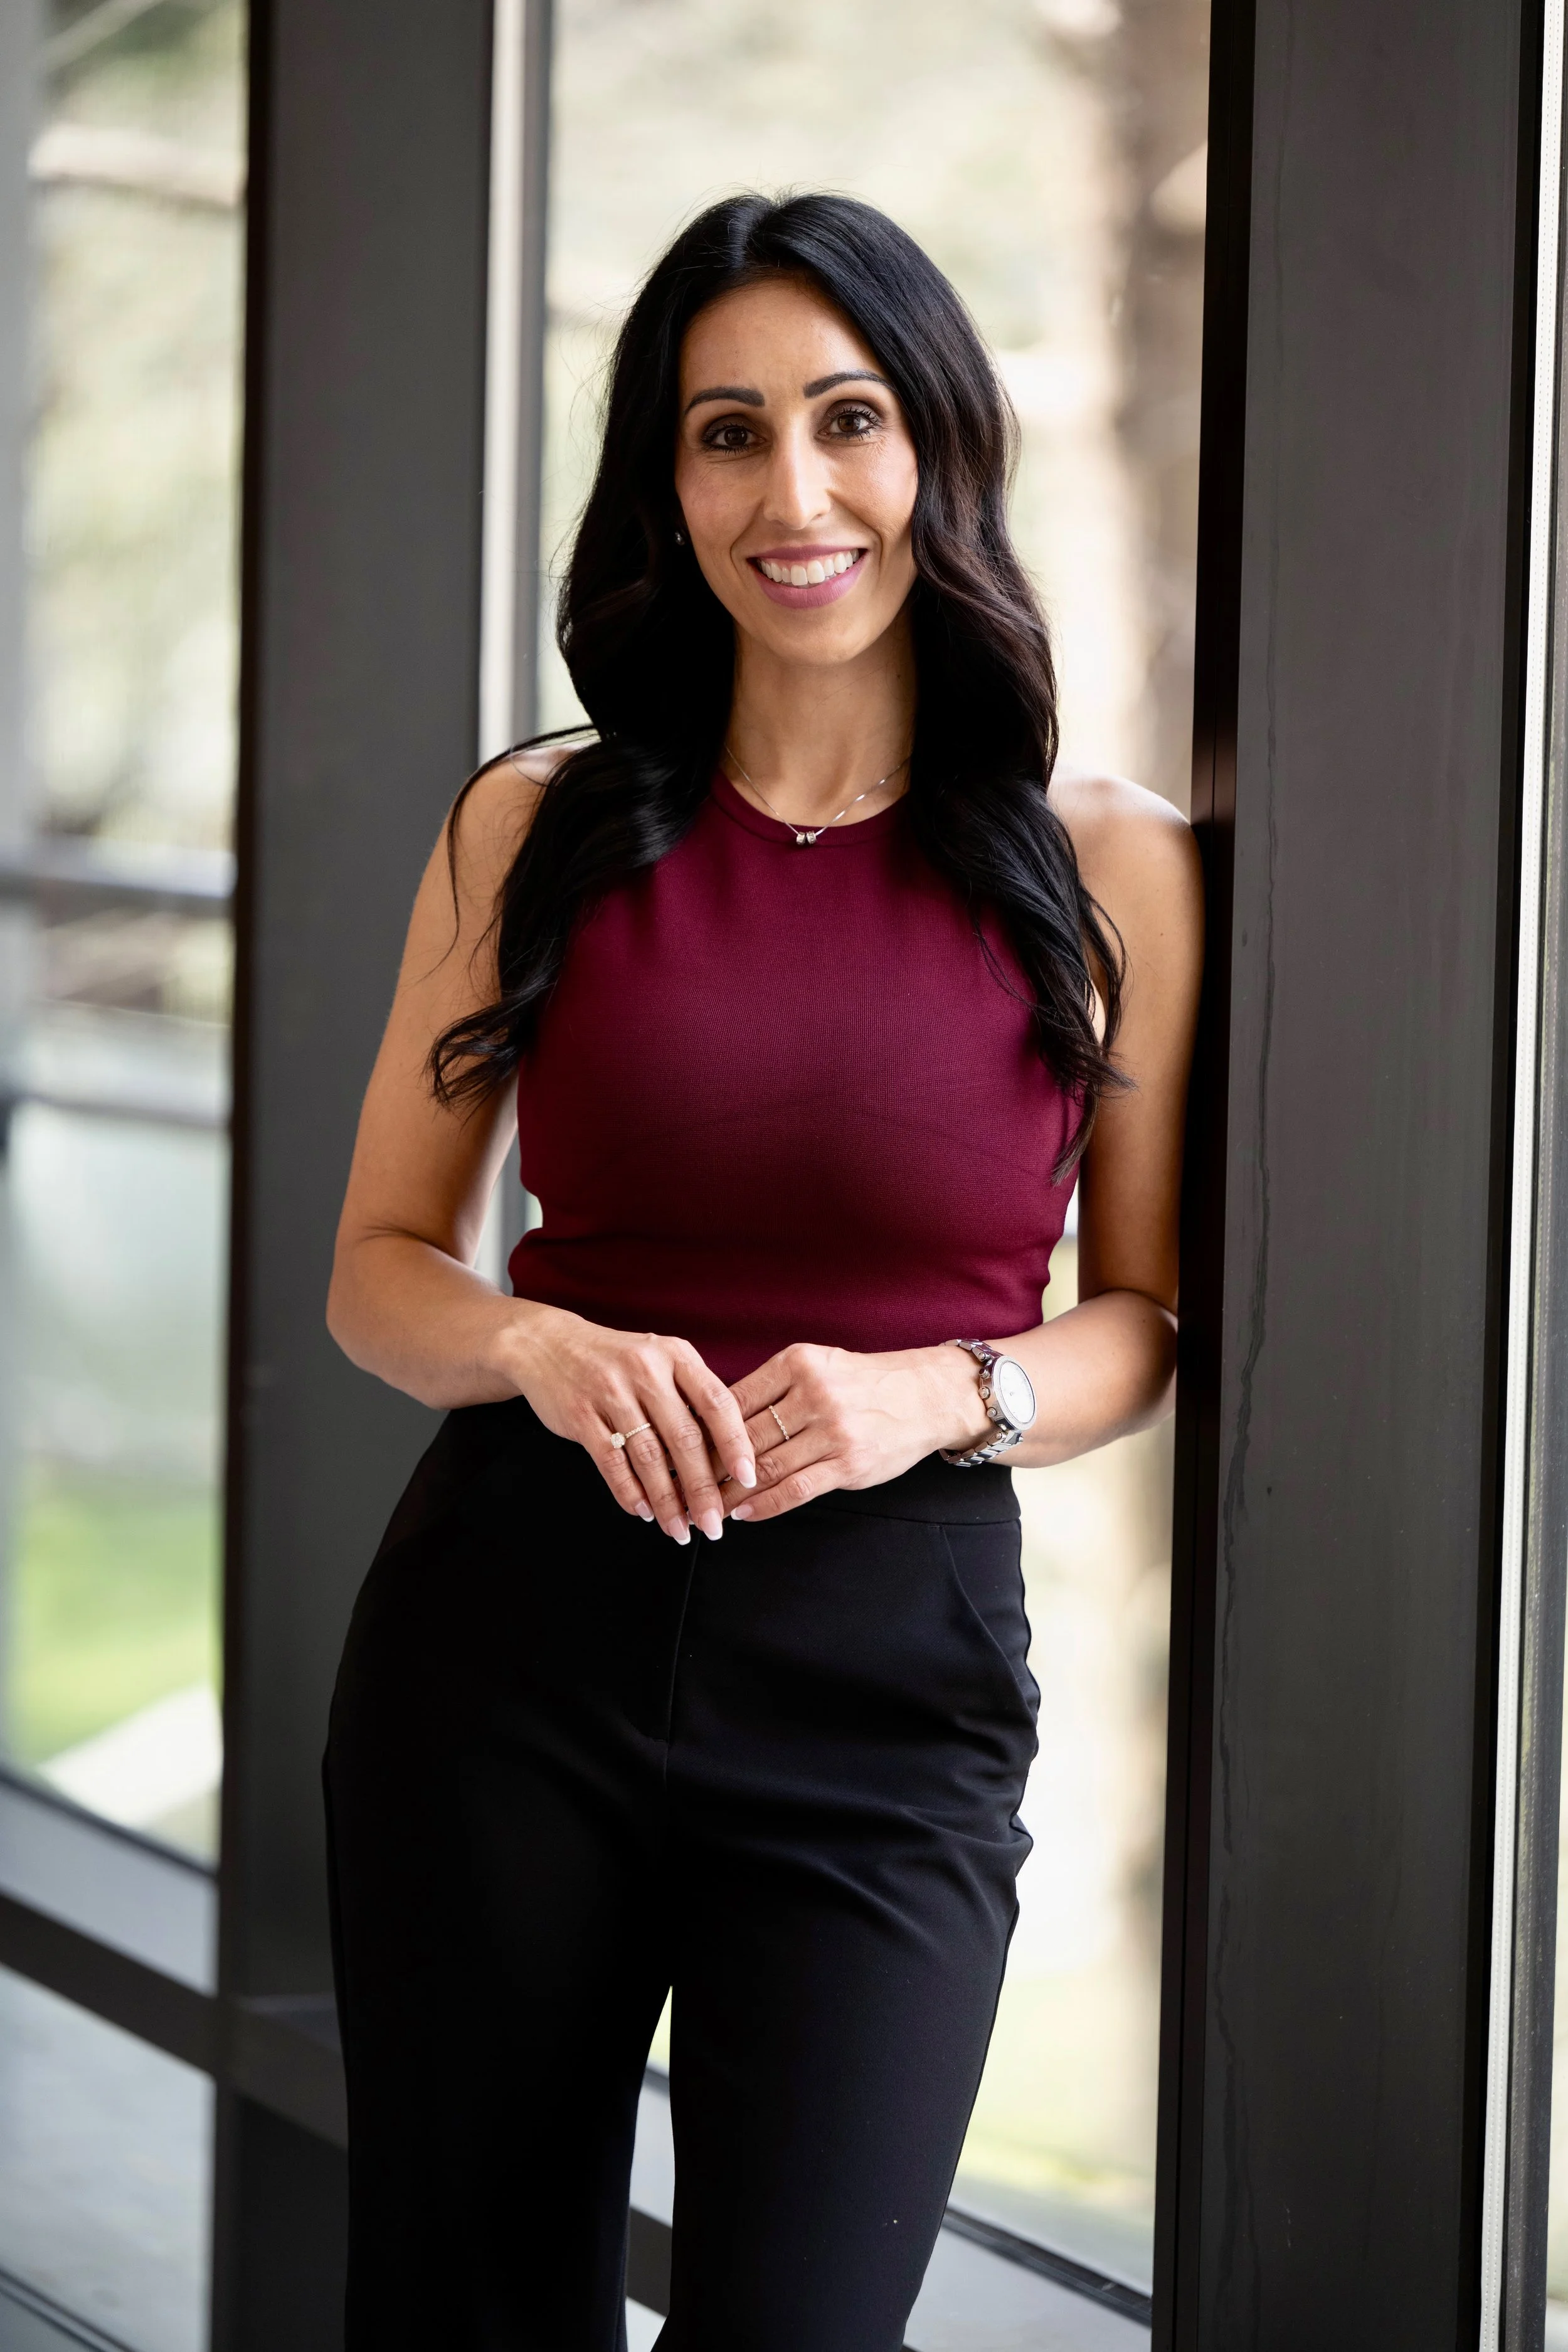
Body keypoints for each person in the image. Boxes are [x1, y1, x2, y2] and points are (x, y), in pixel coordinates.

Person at [324, 190, 1202, 2352]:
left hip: (886, 1683)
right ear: (665, 478)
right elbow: (376, 1268)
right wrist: (532, 1340)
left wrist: (950, 1391)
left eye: (849, 420)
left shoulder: (1104, 867)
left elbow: (1142, 1319)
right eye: (727, 434)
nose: (792, 494)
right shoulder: (534, 824)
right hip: (505, 1655)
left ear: (937, 452)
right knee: (464, 2311)